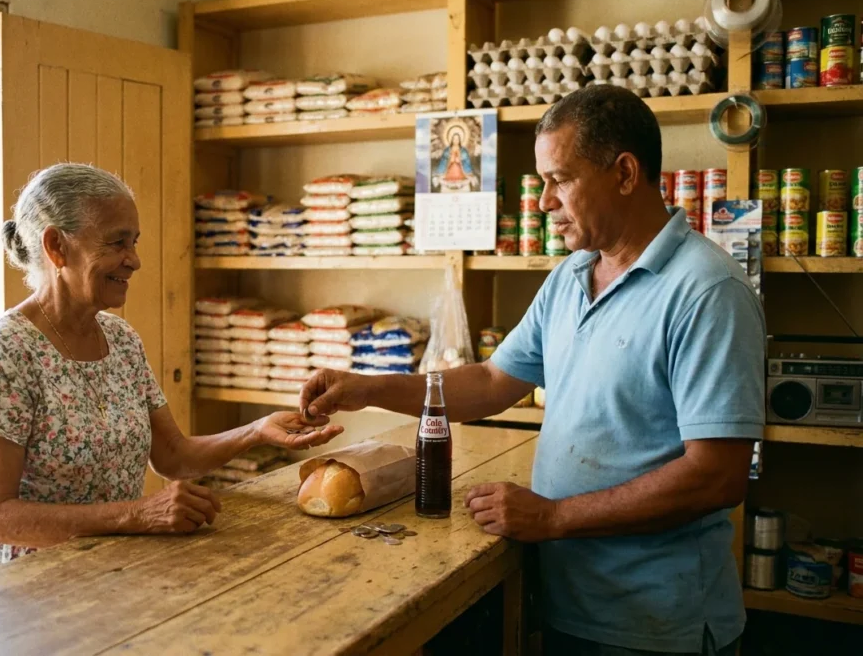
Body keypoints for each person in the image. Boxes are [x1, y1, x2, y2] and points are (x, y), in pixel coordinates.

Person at [300, 85, 765, 655]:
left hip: (657, 627)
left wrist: (554, 516)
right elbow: (494, 382)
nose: (545, 201)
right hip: (570, 601)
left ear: (624, 173)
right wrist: (365, 389)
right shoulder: (572, 278)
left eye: (560, 180)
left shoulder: (707, 290)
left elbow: (718, 475)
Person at [0, 163, 340, 578]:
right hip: (21, 589)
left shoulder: (119, 339)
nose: (134, 260)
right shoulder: (5, 354)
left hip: (105, 574)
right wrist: (137, 514)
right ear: (56, 247)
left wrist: (257, 430)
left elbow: (173, 456)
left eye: (133, 242)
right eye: (117, 243)